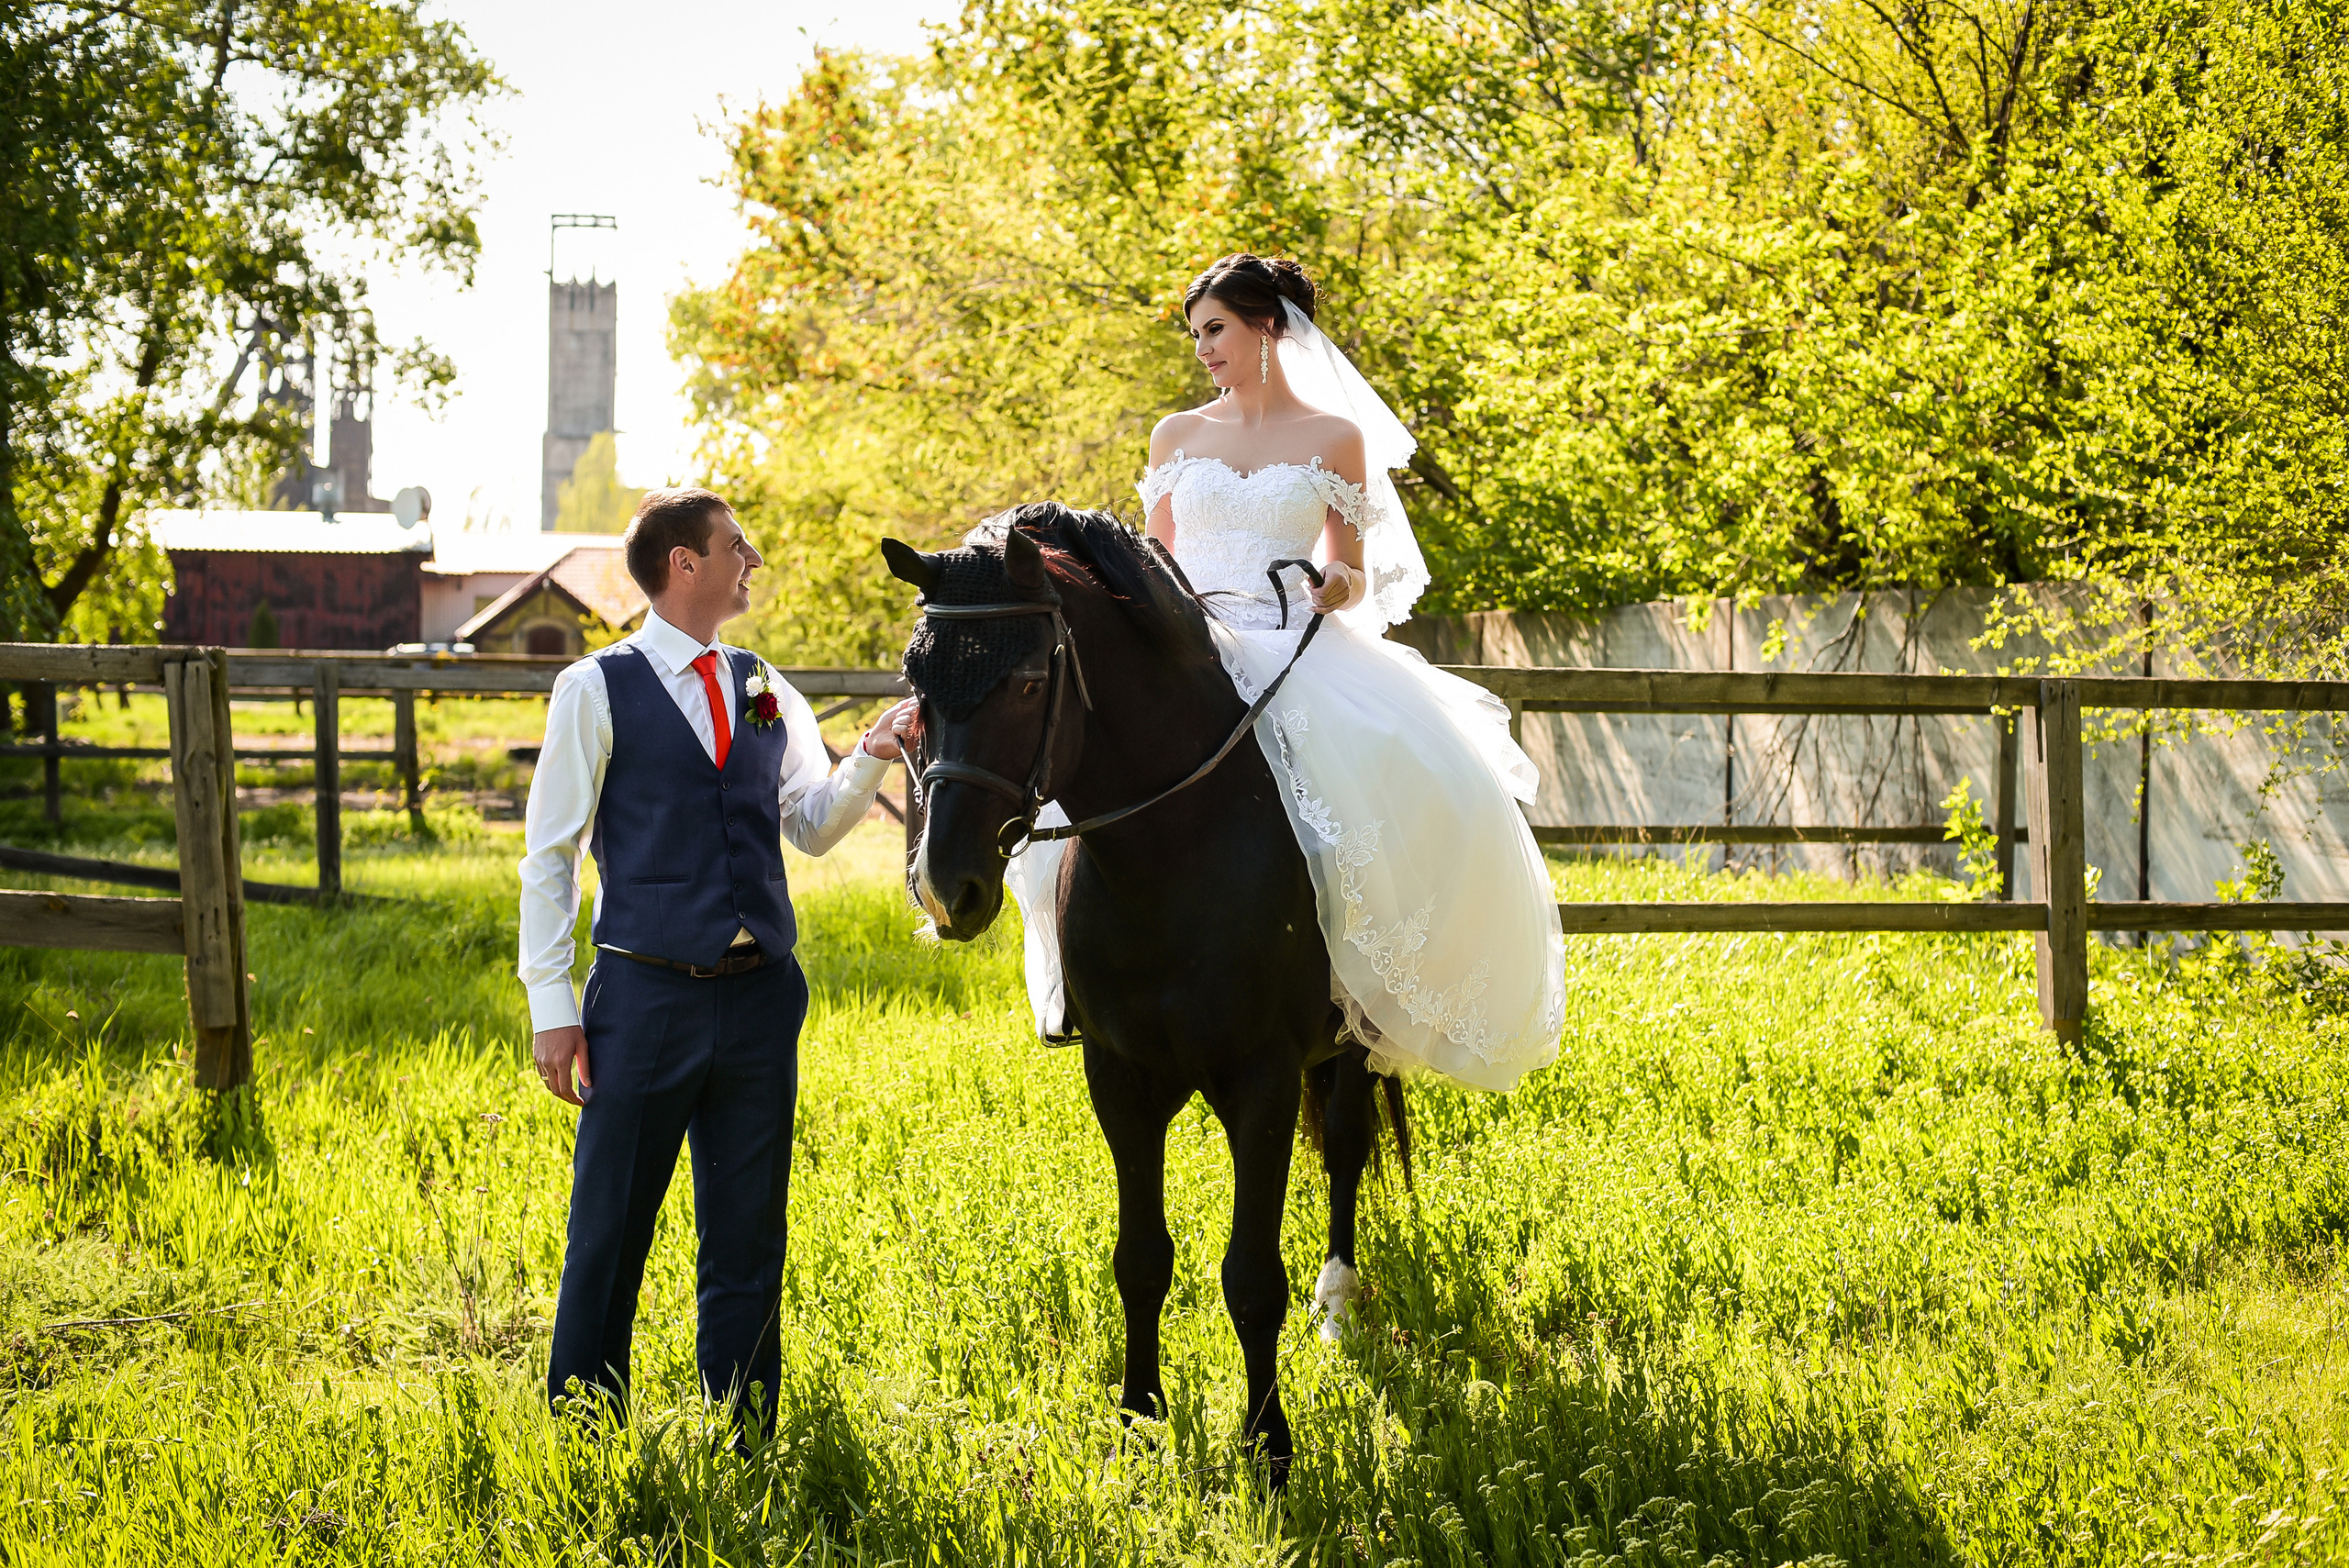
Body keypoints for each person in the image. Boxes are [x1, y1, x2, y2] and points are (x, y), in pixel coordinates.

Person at [1005, 254, 1565, 1092]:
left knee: (1395, 779)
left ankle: (1350, 988)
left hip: (1291, 637)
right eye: (1197, 334)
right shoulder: (1177, 435)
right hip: (1188, 641)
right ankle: (1086, 988)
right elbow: (1155, 560)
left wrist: (1335, 585)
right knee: (1077, 773)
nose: (1203, 349)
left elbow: (1352, 570)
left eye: (1216, 329)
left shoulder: (1334, 440)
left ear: (1269, 326)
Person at [518, 486, 917, 1429]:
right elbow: (550, 855)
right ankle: (582, 1424)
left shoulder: (763, 679)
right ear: (683, 564)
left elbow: (812, 826)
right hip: (643, 998)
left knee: (748, 1230)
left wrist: (870, 754)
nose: (755, 558)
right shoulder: (594, 686)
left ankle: (747, 1425)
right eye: (739, 543)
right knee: (610, 1226)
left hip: (760, 1000)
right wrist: (552, 1002)